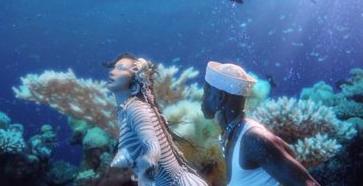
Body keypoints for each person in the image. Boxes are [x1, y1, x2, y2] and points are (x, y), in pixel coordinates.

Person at [201, 61, 321, 186]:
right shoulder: (232, 136)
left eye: (206, 92)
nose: (202, 98)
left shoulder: (252, 139)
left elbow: (309, 184)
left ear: (221, 97)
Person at [104, 53, 208, 186]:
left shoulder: (136, 109)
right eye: (114, 67)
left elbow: (152, 145)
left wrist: (146, 169)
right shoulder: (127, 110)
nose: (112, 72)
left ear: (134, 86)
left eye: (121, 68)